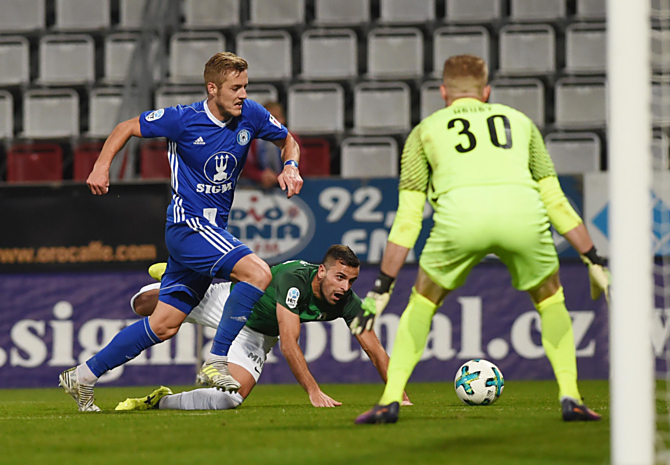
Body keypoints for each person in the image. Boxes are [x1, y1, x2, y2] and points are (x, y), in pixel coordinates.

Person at [351, 55, 610, 424]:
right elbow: (555, 200)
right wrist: (593, 258)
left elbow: (408, 218)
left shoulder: (425, 130)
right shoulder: (520, 123)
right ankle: (571, 396)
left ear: (443, 92)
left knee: (422, 301)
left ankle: (391, 398)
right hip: (522, 215)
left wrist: (382, 286)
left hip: (460, 219)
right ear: (486, 92)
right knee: (551, 299)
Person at [60, 52, 303, 412]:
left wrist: (291, 166)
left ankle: (82, 376)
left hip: (211, 230)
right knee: (258, 272)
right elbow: (126, 127)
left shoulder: (250, 113)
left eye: (245, 87)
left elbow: (288, 140)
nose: (242, 94)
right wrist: (101, 166)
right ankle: (217, 361)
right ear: (212, 88)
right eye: (235, 88)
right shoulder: (182, 119)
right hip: (188, 226)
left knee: (163, 325)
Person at [114, 245, 411, 411]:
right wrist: (314, 391)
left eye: (351, 281)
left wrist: (398, 392)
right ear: (322, 271)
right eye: (340, 277)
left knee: (229, 400)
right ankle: (176, 276)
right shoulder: (295, 280)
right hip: (231, 302)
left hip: (256, 334)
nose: (345, 287)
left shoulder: (347, 302)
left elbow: (374, 349)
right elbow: (290, 343)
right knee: (140, 304)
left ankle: (158, 402)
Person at [242, 101, 301, 189]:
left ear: (283, 119)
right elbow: (245, 167)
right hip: (257, 185)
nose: (273, 122)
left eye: (276, 118)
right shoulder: (249, 140)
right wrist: (261, 176)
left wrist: (279, 177)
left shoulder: (292, 140)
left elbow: (300, 167)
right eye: (269, 118)